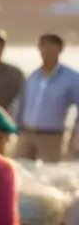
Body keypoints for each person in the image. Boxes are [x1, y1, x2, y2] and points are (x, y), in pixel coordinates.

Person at [13, 34, 79, 163]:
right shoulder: (33, 76)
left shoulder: (72, 78)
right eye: (42, 47)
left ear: (59, 50)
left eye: (50, 48)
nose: (45, 52)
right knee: (19, 170)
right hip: (27, 134)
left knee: (48, 175)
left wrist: (75, 136)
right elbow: (22, 103)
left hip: (52, 136)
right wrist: (17, 127)